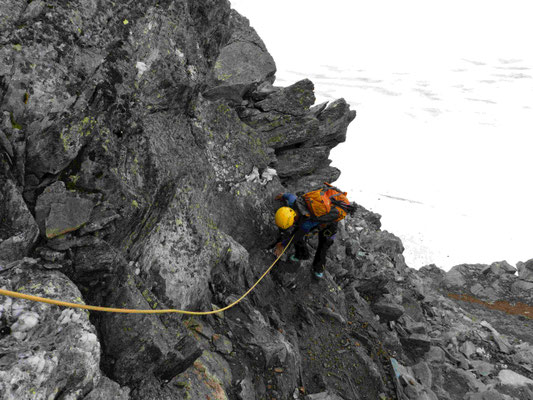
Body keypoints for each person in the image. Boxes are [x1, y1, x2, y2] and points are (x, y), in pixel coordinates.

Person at [274, 186, 355, 280]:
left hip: (329, 222)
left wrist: (282, 245)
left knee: (323, 245)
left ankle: (318, 270)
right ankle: (301, 255)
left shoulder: (306, 224)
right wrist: (283, 195)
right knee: (298, 231)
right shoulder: (294, 203)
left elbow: (296, 236)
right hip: (324, 208)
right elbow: (289, 196)